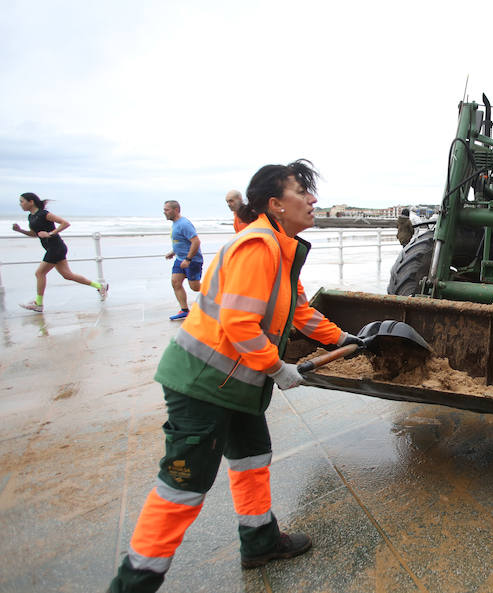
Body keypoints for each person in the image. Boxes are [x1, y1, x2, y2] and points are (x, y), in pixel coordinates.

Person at [108, 159, 364, 593]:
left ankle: (260, 541)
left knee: (252, 458)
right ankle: (132, 584)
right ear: (275, 205)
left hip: (236, 383)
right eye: (302, 191)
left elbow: (298, 311)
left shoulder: (283, 251)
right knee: (183, 486)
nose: (313, 200)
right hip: (204, 383)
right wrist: (277, 367)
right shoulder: (259, 246)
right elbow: (239, 323)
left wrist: (345, 338)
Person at [12, 192, 108, 312]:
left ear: (31, 202)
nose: (20, 204)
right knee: (68, 275)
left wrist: (50, 233)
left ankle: (39, 303)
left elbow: (65, 223)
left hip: (55, 247)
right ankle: (100, 286)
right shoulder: (31, 217)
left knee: (39, 273)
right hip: (52, 248)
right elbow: (33, 234)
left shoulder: (44, 214)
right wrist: (20, 230)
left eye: (22, 201)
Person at [164, 201, 203, 320]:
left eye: (167, 210)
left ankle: (219, 294)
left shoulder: (184, 224)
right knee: (175, 282)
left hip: (192, 260)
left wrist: (188, 259)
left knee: (195, 287)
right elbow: (182, 241)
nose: (164, 212)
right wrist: (173, 251)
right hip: (180, 259)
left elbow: (196, 242)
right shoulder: (175, 224)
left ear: (176, 210)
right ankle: (185, 310)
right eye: (164, 210)